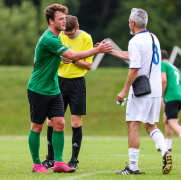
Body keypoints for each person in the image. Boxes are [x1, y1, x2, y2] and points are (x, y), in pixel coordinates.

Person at [27, 4, 112, 173]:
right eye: (60, 19)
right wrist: (98, 49)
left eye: (65, 18)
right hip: (39, 88)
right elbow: (72, 55)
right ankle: (37, 165)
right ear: (51, 21)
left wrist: (61, 60)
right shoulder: (49, 39)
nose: (64, 22)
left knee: (59, 124)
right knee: (37, 126)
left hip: (53, 88)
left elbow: (55, 59)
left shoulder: (57, 37)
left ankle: (58, 163)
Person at [107, 8, 172, 175]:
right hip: (156, 90)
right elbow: (135, 56)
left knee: (133, 127)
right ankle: (165, 151)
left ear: (133, 23)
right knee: (151, 126)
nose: (129, 24)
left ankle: (133, 167)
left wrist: (123, 91)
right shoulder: (153, 38)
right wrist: (111, 51)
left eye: (129, 21)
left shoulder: (135, 41)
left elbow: (135, 67)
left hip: (142, 90)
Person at [41, 15, 93, 170]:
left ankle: (74, 160)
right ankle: (51, 158)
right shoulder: (58, 35)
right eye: (66, 33)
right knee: (51, 121)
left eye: (70, 34)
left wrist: (74, 60)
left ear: (78, 26)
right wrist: (60, 59)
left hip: (77, 83)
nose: (68, 36)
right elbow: (50, 56)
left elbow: (88, 65)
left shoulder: (86, 38)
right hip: (59, 81)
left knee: (75, 122)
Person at [160, 50, 181, 152]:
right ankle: (168, 146)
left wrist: (161, 96)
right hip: (180, 96)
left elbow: (163, 80)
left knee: (172, 121)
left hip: (171, 96)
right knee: (166, 119)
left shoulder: (162, 64)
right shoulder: (174, 67)